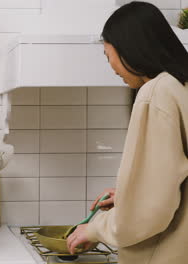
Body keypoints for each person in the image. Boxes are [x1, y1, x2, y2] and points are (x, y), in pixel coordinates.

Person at [66, 2, 188, 263]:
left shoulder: (157, 92)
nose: (111, 66)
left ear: (129, 49)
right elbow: (172, 183)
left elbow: (150, 208)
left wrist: (97, 227)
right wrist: (128, 194)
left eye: (107, 54)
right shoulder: (181, 86)